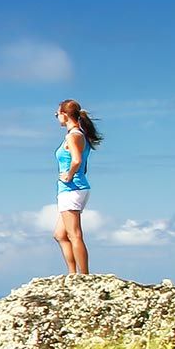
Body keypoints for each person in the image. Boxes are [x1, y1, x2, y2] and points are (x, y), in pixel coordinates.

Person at [52, 98, 99, 277]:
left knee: (74, 234)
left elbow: (77, 160)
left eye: (57, 114)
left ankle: (83, 276)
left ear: (64, 114)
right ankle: (73, 274)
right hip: (73, 189)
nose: (57, 117)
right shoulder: (79, 135)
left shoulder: (73, 136)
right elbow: (83, 163)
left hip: (72, 189)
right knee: (60, 234)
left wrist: (69, 175)